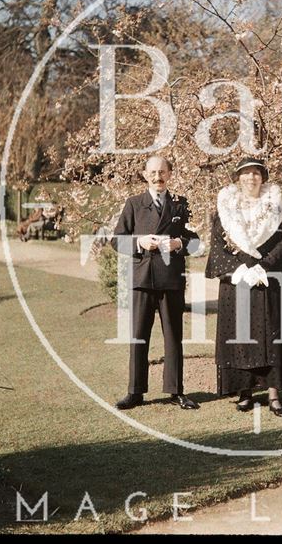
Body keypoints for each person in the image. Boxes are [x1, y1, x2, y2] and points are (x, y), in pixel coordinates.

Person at [205, 157, 282, 418]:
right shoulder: (226, 208)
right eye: (245, 174)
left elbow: (281, 243)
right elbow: (219, 244)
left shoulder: (276, 208)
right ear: (238, 178)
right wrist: (243, 267)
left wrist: (262, 267)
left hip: (266, 282)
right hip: (238, 282)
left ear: (263, 178)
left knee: (270, 336)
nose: (251, 178)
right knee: (240, 335)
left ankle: (274, 395)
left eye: (256, 173)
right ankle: (244, 393)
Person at [113, 156, 200, 411]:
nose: (157, 176)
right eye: (152, 172)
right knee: (139, 337)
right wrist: (139, 243)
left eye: (162, 171)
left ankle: (176, 391)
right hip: (142, 278)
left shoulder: (181, 206)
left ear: (170, 174)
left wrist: (179, 244)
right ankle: (135, 392)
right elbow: (116, 239)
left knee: (174, 336)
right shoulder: (134, 204)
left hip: (171, 279)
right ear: (144, 174)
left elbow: (196, 243)